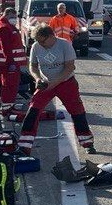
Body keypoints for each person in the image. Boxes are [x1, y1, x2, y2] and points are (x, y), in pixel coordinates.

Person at [17, 24, 95, 155]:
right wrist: (37, 79)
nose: (41, 44)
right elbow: (33, 66)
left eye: (43, 41)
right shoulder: (36, 46)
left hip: (66, 83)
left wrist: (55, 83)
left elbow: (69, 68)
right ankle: (24, 146)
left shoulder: (65, 45)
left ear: (52, 36)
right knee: (33, 111)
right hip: (46, 83)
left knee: (77, 112)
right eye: (38, 41)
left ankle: (87, 142)